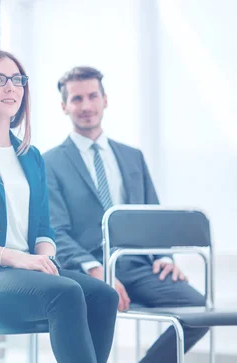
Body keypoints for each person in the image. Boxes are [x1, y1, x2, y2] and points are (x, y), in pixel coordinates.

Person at [0, 49, 118, 363]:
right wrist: (16, 259)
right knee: (66, 293)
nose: (11, 87)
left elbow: (43, 227)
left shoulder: (30, 155)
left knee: (104, 294)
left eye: (17, 79)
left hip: (26, 275)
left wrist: (44, 262)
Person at [43, 66, 208, 363]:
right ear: (64, 107)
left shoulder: (133, 156)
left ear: (105, 99)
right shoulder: (49, 162)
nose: (86, 106)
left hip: (138, 266)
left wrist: (163, 259)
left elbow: (153, 218)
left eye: (93, 96)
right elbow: (56, 230)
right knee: (91, 322)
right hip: (86, 269)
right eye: (77, 99)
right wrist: (96, 270)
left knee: (200, 310)